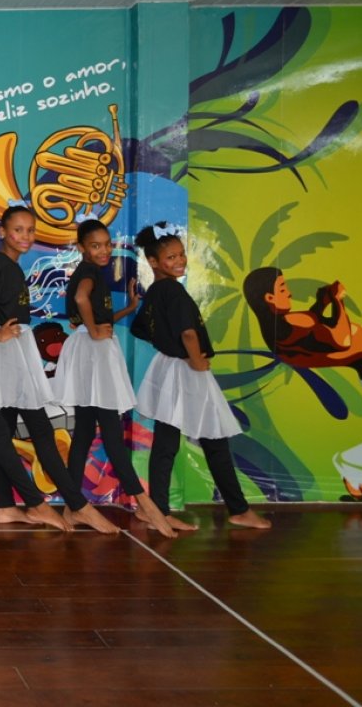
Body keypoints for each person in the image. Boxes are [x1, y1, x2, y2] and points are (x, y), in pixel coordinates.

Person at [0, 205, 105, 533]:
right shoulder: (0, 265)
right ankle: (77, 504)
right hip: (9, 353)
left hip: (15, 350)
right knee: (41, 429)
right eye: (18, 230)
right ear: (2, 232)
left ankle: (5, 508)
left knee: (11, 426)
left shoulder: (10, 266)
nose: (25, 236)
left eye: (30, 230)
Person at [132, 222, 271, 530]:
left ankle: (156, 509)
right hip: (187, 371)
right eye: (171, 257)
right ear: (153, 262)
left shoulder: (156, 291)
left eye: (181, 254)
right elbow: (188, 333)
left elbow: (140, 327)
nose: (179, 261)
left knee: (169, 441)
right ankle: (236, 509)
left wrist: (167, 345)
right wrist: (195, 361)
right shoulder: (174, 293)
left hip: (169, 368)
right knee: (213, 440)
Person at [54, 220, 174, 537]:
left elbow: (94, 313)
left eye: (107, 244)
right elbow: (81, 301)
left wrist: (129, 309)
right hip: (93, 354)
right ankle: (146, 504)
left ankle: (71, 506)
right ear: (81, 248)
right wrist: (94, 330)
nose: (104, 250)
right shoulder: (89, 273)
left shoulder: (92, 273)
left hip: (90, 350)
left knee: (83, 433)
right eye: (96, 245)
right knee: (109, 431)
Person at [242, 267, 362, 377]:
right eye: (283, 290)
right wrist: (338, 300)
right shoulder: (285, 334)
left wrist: (322, 302)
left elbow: (312, 322)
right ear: (270, 298)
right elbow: (342, 340)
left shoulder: (283, 323)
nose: (289, 294)